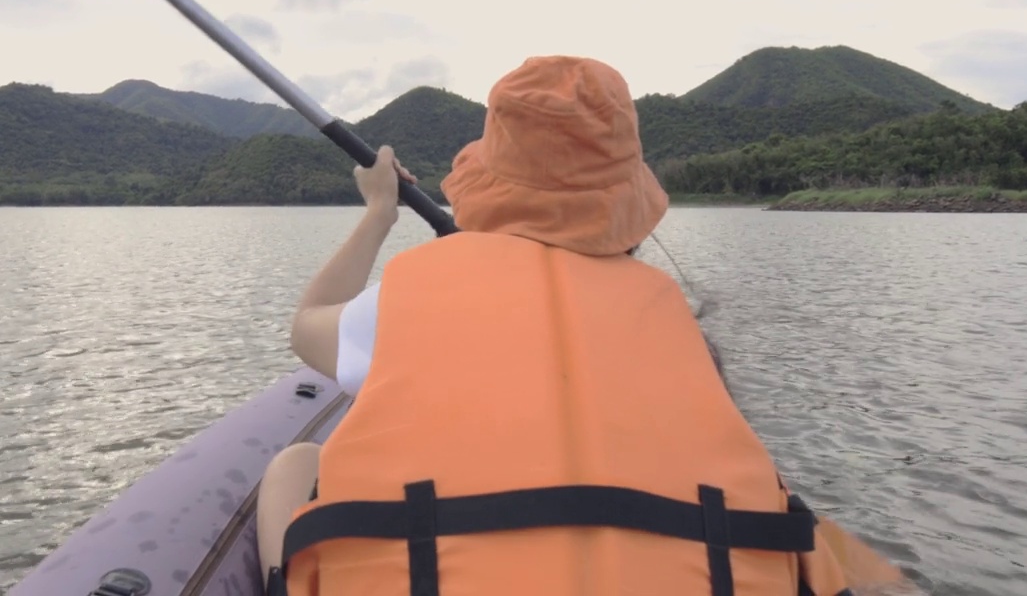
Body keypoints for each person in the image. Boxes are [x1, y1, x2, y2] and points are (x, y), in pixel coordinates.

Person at [256, 55, 876, 596]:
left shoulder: (407, 298)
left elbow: (307, 327)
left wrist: (378, 214)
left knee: (297, 463)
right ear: (628, 206)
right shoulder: (677, 325)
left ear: (486, 188)